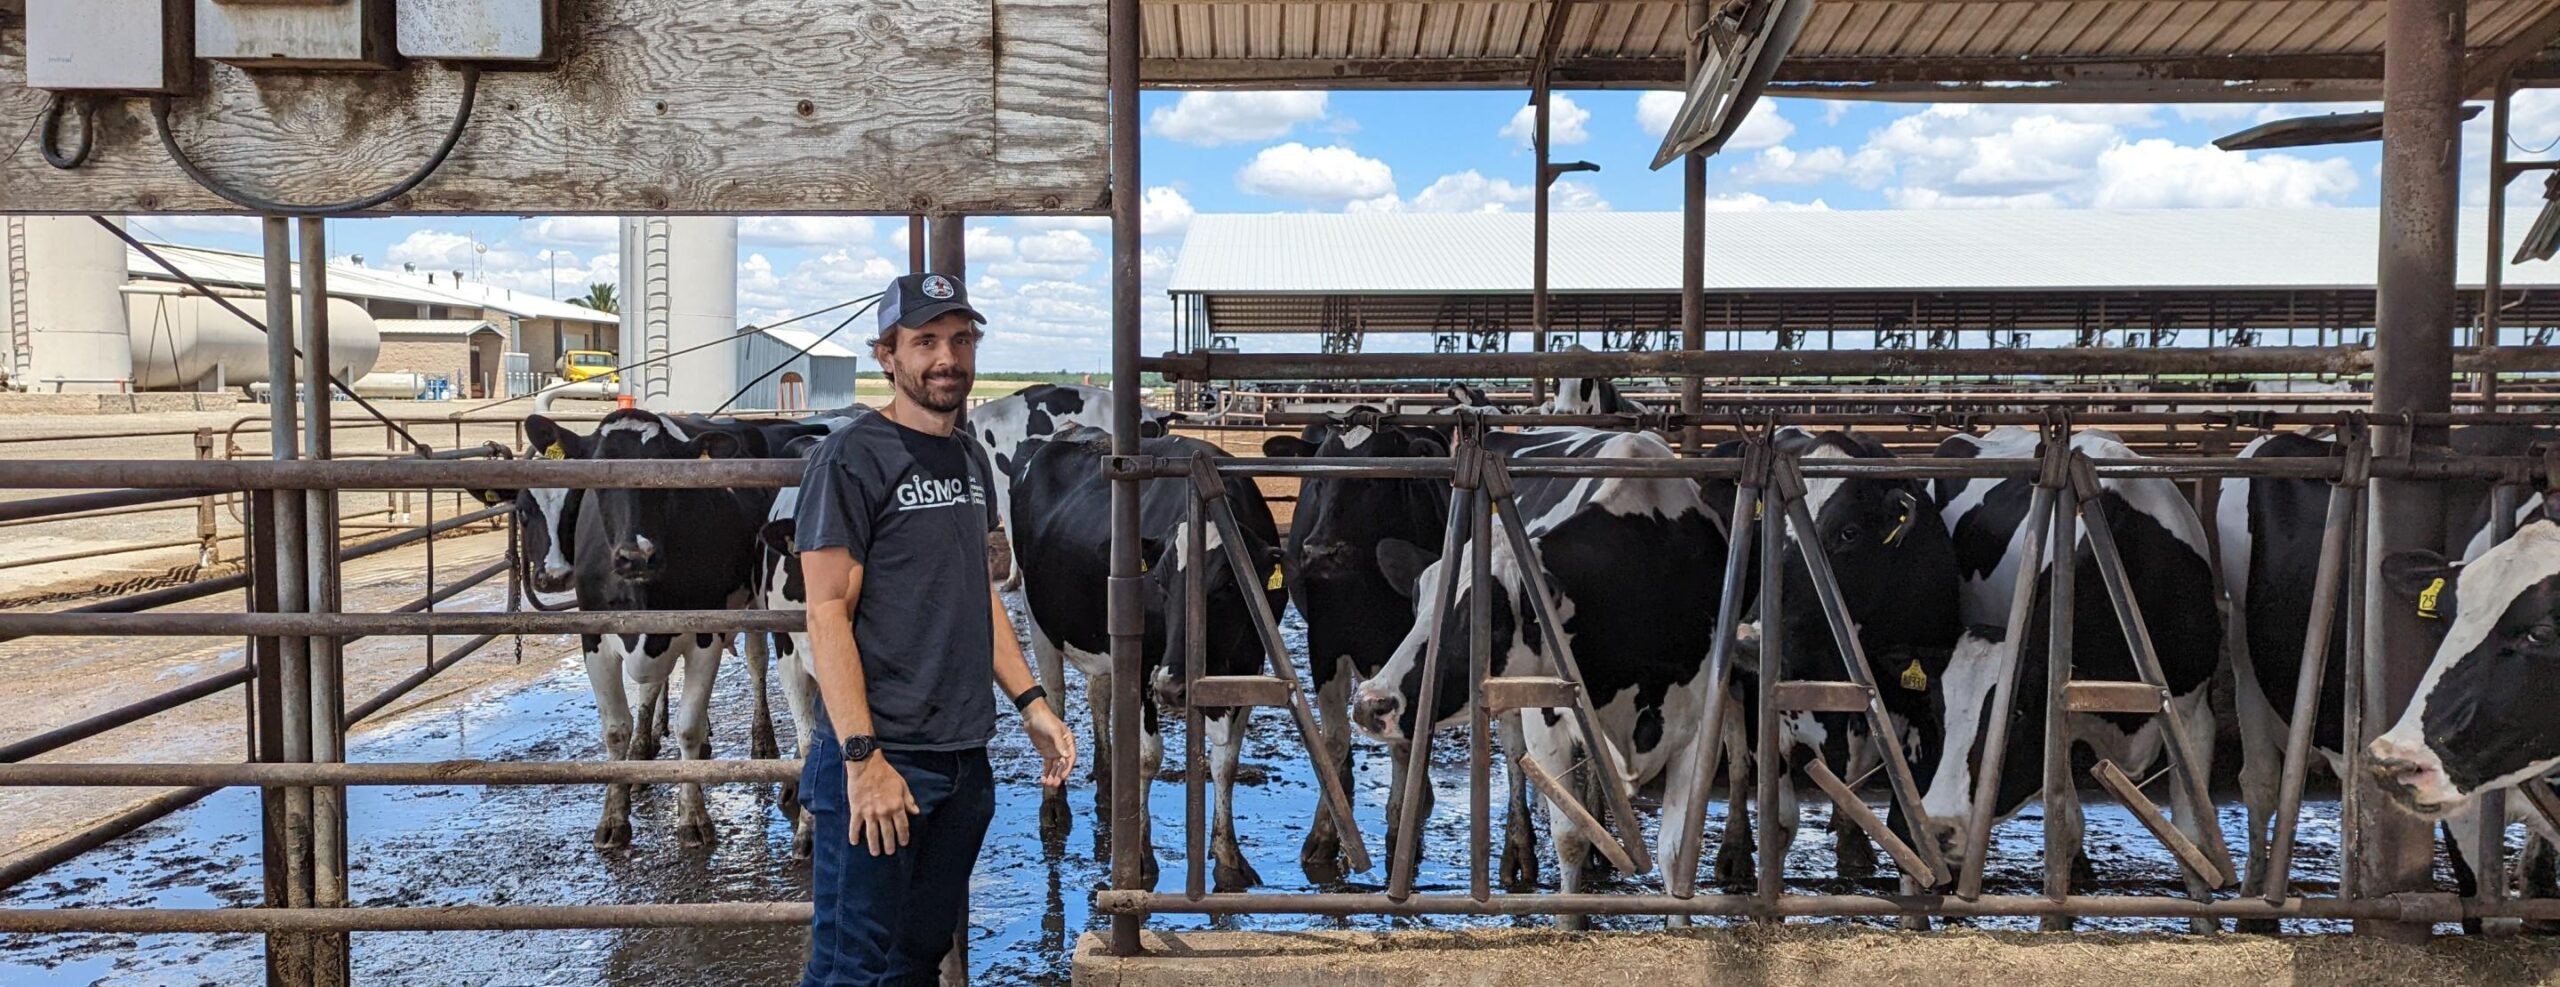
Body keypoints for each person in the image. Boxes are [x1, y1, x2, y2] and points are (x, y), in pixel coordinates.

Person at [794, 272, 1076, 986]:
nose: (946, 357)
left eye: (960, 339)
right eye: (925, 341)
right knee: (848, 970)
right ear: (887, 354)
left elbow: (975, 592)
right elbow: (826, 611)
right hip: (885, 759)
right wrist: (863, 760)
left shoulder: (969, 457)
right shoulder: (851, 458)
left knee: (915, 959)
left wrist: (1031, 702)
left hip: (962, 763)